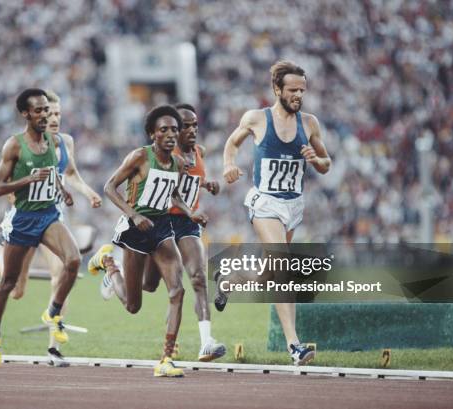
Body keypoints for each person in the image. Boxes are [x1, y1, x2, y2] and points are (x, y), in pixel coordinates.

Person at [0, 90, 101, 367]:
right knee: (12, 286)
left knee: (73, 261)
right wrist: (28, 181)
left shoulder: (54, 141)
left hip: (48, 216)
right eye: (40, 111)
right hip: (23, 219)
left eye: (48, 110)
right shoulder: (14, 145)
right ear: (25, 114)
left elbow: (56, 173)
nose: (45, 115)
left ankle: (53, 313)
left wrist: (63, 192)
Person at [221, 60, 331, 365]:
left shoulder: (309, 123)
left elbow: (326, 164)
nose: (298, 95)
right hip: (265, 202)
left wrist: (315, 159)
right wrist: (229, 165)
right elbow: (231, 144)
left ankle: (229, 281)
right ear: (277, 89)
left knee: (269, 277)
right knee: (284, 266)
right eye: (293, 90)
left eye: (302, 90)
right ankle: (294, 346)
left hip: (294, 205)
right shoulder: (257, 118)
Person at [88, 105, 207, 377]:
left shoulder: (177, 163)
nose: (170, 134)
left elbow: (173, 194)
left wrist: (191, 213)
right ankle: (109, 266)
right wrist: (134, 214)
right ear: (152, 133)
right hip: (134, 230)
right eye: (163, 129)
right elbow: (109, 187)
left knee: (176, 290)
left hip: (161, 229)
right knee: (133, 305)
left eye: (174, 130)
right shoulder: (140, 156)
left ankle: (166, 359)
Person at [140, 103, 226, 362]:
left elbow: (192, 182)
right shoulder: (167, 156)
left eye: (195, 125)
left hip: (188, 226)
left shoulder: (200, 152)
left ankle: (206, 342)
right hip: (162, 222)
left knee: (197, 278)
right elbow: (167, 192)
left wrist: (207, 184)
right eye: (185, 126)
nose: (192, 130)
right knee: (149, 285)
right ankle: (112, 268)